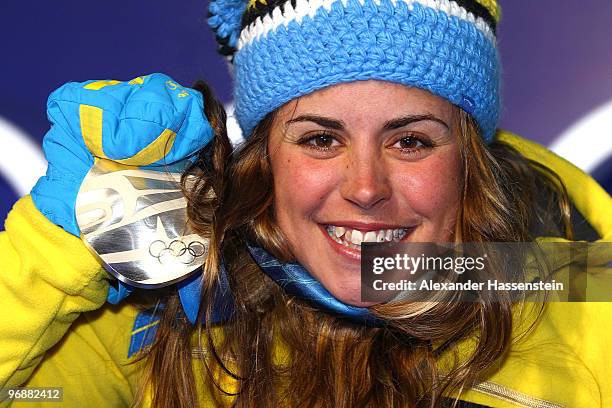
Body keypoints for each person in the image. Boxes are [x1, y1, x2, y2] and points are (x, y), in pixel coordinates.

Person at [1, 0, 611, 407]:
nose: (366, 187)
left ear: (467, 160)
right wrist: (53, 251)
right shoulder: (153, 329)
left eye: (411, 141)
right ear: (265, 158)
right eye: (321, 139)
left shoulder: (574, 295)